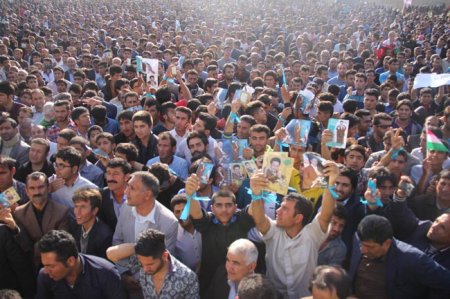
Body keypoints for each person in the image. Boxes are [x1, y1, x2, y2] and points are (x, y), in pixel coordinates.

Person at [248, 161, 338, 299]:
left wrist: (331, 184)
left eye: (285, 209)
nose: (278, 211)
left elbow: (326, 215)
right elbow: (260, 220)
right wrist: (256, 194)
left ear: (298, 218)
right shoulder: (273, 232)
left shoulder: (312, 235)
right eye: (280, 206)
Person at [185, 175, 255, 297]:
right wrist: (190, 194)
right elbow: (196, 213)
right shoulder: (207, 222)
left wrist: (257, 194)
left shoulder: (241, 220)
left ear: (235, 207)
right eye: (219, 205)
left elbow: (254, 209)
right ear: (212, 208)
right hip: (210, 283)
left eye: (228, 205)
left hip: (241, 282)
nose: (224, 210)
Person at [349, 215, 450, 299]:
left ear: (387, 243)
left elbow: (446, 283)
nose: (362, 250)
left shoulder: (413, 259)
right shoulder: (359, 237)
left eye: (369, 247)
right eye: (362, 244)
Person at [112, 171, 178, 298]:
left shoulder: (168, 223)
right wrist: (124, 273)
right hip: (125, 282)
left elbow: (165, 261)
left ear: (147, 195)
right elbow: (117, 241)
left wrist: (140, 279)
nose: (126, 192)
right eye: (128, 186)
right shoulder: (126, 208)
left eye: (132, 188)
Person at [107, 228, 200, 299]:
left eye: (150, 264)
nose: (145, 268)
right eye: (142, 263)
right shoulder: (142, 260)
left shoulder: (187, 277)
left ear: (164, 256)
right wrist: (138, 247)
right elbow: (110, 254)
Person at [35, 230, 126, 299]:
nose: (46, 271)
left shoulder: (106, 274)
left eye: (51, 266)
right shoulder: (44, 276)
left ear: (70, 261)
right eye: (44, 265)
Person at [71, 187, 113, 259]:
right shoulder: (73, 226)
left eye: (83, 207)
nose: (77, 212)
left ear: (95, 210)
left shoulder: (105, 236)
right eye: (76, 206)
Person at [170, 194, 202, 272]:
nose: (182, 215)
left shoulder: (204, 225)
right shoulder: (173, 234)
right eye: (177, 212)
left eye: (185, 210)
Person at [99, 158, 133, 231]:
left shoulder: (136, 196)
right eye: (108, 173)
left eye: (115, 174)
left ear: (126, 177)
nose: (110, 178)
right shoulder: (101, 196)